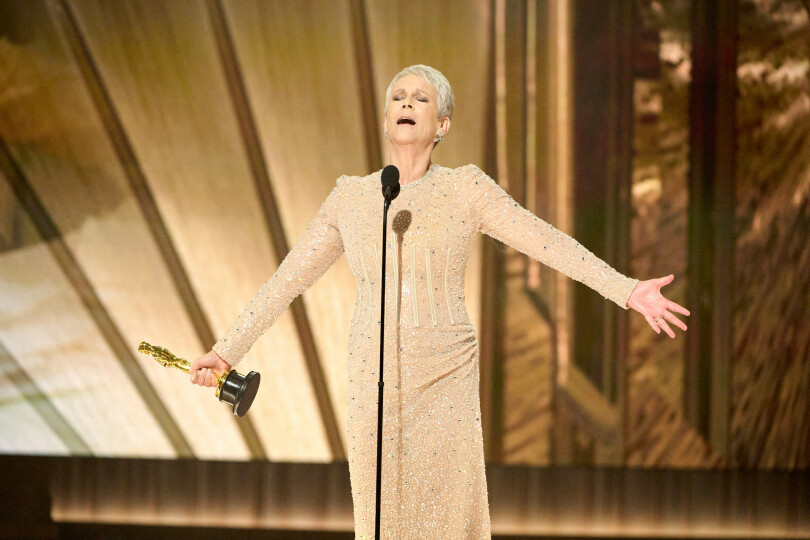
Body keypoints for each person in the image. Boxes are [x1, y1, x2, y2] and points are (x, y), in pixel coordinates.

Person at [189, 65, 689, 538]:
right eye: (398, 97)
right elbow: (287, 279)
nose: (406, 102)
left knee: (446, 520)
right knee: (381, 519)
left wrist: (624, 288)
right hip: (372, 379)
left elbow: (545, 241)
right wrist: (228, 349)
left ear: (442, 123)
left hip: (445, 376)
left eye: (420, 97)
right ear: (387, 120)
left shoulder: (465, 189)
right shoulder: (351, 198)